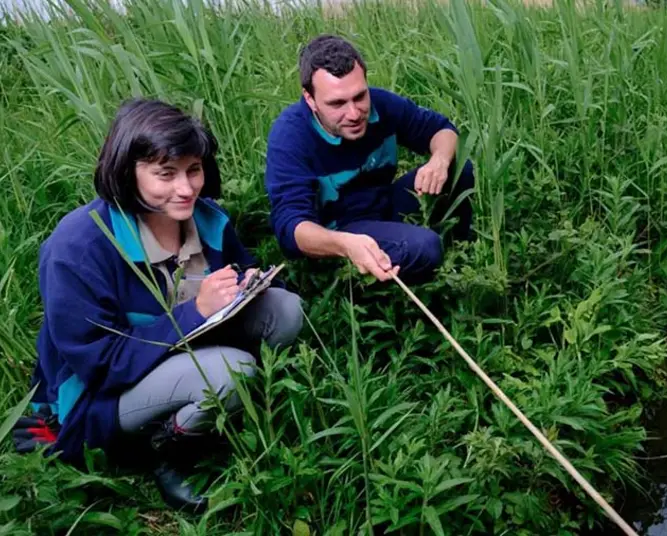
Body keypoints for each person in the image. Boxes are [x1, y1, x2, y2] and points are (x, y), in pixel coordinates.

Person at [17, 99, 304, 513]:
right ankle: (160, 453)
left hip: (180, 351)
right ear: (126, 172)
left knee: (286, 310)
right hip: (98, 394)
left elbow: (240, 271)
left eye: (194, 169)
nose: (185, 188)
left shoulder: (209, 219)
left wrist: (245, 284)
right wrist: (194, 312)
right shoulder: (77, 247)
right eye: (165, 174)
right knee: (231, 372)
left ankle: (228, 414)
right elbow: (97, 365)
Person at [265, 34, 476, 284]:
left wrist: (438, 161)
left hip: (384, 205)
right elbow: (291, 229)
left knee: (459, 167)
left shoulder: (382, 104)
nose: (354, 113)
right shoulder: (290, 137)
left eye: (359, 96)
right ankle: (387, 297)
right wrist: (344, 245)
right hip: (338, 232)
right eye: (337, 103)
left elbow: (442, 130)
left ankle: (464, 255)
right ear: (310, 99)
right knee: (424, 247)